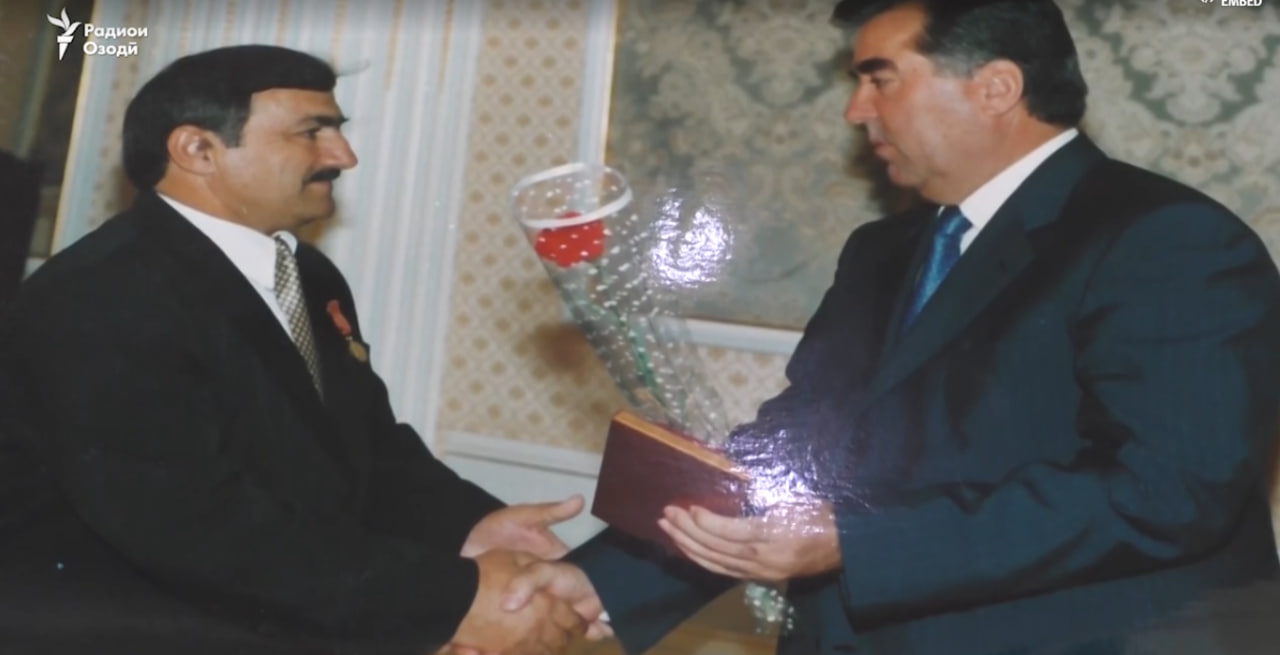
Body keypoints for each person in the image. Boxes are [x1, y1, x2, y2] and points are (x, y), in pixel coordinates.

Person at [500, 1, 1280, 654]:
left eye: (881, 78)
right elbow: (799, 447)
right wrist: (604, 580)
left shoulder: (1167, 239)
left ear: (996, 87)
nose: (855, 110)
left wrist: (855, 542)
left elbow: (1169, 491)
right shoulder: (884, 250)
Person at [0, 44, 605, 655]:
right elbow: (191, 524)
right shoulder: (101, 293)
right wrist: (455, 600)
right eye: (312, 132)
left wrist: (469, 527)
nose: (344, 156)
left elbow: (364, 449)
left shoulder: (308, 276)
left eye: (337, 130)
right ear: (197, 149)